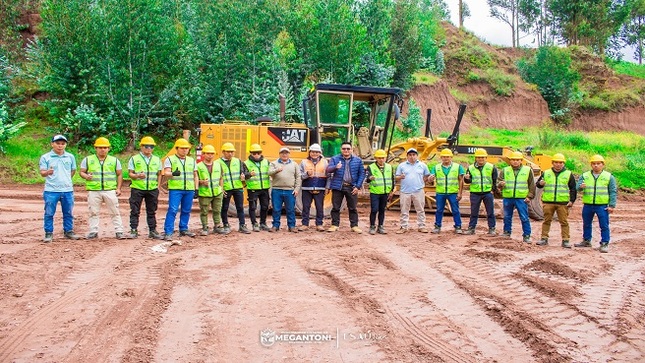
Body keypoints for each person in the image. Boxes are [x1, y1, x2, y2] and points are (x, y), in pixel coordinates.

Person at [79, 137, 126, 239]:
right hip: (94, 190)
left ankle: (119, 231)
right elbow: (82, 172)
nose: (102, 149)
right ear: (95, 148)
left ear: (108, 148)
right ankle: (93, 231)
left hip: (109, 190)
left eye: (105, 147)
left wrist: (118, 188)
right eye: (100, 147)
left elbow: (119, 174)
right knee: (93, 212)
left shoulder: (114, 160)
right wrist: (86, 176)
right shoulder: (88, 160)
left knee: (114, 211)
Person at [39, 134, 81, 242]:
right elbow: (42, 173)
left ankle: (68, 231)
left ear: (65, 145)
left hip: (67, 190)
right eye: (57, 143)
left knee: (68, 212)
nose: (60, 146)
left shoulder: (70, 157)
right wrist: (48, 172)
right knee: (49, 213)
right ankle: (48, 233)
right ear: (52, 144)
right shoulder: (46, 157)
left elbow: (73, 171)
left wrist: (66, 180)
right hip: (51, 190)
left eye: (63, 144)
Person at [575, 154, 617, 253]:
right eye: (594, 163)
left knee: (604, 225)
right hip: (588, 204)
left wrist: (611, 205)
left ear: (603, 164)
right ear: (591, 165)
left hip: (602, 205)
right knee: (586, 224)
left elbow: (613, 191)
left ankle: (604, 243)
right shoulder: (585, 176)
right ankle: (586, 240)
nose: (596, 165)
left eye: (598, 163)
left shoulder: (608, 177)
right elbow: (577, 188)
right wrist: (581, 186)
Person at [536, 153, 576, 248]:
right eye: (556, 162)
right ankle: (544, 238)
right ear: (552, 163)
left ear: (563, 163)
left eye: (560, 162)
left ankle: (565, 240)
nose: (558, 164)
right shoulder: (546, 173)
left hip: (562, 203)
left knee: (564, 222)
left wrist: (572, 200)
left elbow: (573, 188)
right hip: (548, 202)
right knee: (546, 221)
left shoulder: (568, 174)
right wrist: (540, 183)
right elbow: (538, 185)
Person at [127, 136, 162, 239]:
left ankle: (152, 230)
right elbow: (130, 174)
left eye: (151, 146)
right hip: (137, 188)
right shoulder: (134, 159)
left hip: (152, 189)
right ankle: (133, 229)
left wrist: (158, 186)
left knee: (151, 210)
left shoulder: (157, 159)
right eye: (146, 146)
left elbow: (159, 174)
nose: (148, 148)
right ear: (141, 147)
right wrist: (137, 176)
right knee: (134, 210)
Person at [326, 142, 365, 233]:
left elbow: (361, 174)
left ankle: (354, 226)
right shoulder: (335, 159)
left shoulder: (358, 160)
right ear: (341, 149)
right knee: (336, 207)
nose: (346, 150)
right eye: (344, 149)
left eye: (348, 149)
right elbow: (328, 170)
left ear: (351, 150)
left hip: (351, 187)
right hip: (338, 187)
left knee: (352, 208)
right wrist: (336, 167)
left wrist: (357, 186)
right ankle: (334, 225)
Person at [162, 138, 198, 240]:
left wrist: (196, 188)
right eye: (182, 148)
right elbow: (166, 172)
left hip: (189, 189)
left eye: (186, 148)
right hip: (176, 189)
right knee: (173, 210)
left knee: (186, 210)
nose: (185, 150)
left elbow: (195, 175)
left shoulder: (191, 160)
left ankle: (183, 228)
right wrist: (173, 173)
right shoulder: (170, 159)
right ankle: (168, 231)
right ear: (177, 148)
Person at [497, 151, 536, 243]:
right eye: (513, 160)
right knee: (507, 216)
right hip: (508, 197)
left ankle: (526, 235)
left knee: (524, 217)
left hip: (521, 198)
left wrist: (529, 196)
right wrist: (500, 184)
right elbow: (498, 182)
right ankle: (507, 232)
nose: (515, 161)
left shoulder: (527, 170)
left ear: (521, 160)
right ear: (510, 161)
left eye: (517, 160)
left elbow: (531, 184)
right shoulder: (505, 170)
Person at [429, 149, 465, 234]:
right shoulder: (436, 167)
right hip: (440, 193)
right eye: (444, 157)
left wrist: (460, 193)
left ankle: (458, 226)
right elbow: (431, 179)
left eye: (447, 157)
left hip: (453, 193)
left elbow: (461, 180)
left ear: (451, 157)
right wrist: (430, 178)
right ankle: (437, 226)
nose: (445, 158)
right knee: (439, 210)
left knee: (455, 210)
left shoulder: (458, 167)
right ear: (441, 157)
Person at [395, 148, 431, 233]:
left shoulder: (422, 165)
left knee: (420, 209)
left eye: (414, 155)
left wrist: (422, 182)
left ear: (417, 156)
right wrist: (400, 177)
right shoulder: (401, 166)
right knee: (404, 210)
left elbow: (427, 176)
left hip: (418, 191)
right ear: (407, 156)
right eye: (410, 155)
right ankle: (404, 227)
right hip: (405, 191)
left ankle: (421, 226)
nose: (412, 157)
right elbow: (396, 177)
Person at [218, 142, 252, 234]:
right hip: (226, 189)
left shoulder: (238, 161)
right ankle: (226, 225)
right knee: (224, 208)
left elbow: (246, 173)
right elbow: (215, 178)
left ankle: (242, 225)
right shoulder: (217, 163)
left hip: (238, 188)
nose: (230, 153)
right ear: (223, 152)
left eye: (232, 152)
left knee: (240, 207)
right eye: (228, 152)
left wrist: (245, 176)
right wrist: (220, 189)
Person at [463, 148, 498, 236]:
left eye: (482, 157)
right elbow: (468, 181)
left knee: (490, 212)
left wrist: (493, 191)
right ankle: (471, 228)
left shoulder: (491, 167)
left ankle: (492, 228)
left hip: (487, 193)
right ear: (475, 158)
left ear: (486, 158)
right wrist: (466, 178)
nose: (480, 159)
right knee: (474, 212)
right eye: (478, 157)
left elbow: (494, 180)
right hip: (475, 193)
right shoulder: (470, 168)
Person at [268, 147, 301, 232]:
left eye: (286, 153)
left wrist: (296, 189)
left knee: (290, 209)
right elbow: (269, 173)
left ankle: (292, 226)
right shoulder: (274, 163)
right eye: (282, 153)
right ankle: (275, 226)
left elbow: (298, 177)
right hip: (276, 190)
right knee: (276, 209)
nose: (284, 154)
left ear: (289, 154)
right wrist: (276, 170)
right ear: (279, 154)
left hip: (290, 190)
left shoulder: (294, 164)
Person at [196, 144, 225, 235]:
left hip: (217, 192)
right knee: (204, 211)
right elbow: (195, 179)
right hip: (205, 193)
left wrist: (221, 188)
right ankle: (205, 227)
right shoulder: (199, 166)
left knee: (217, 210)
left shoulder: (218, 165)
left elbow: (221, 178)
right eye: (208, 153)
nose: (210, 155)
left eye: (212, 153)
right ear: (203, 154)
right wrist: (201, 182)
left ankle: (217, 226)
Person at [299, 143, 328, 231]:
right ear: (309, 152)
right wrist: (306, 174)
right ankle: (305, 224)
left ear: (320, 153)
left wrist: (327, 187)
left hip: (320, 187)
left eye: (316, 152)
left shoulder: (325, 162)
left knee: (319, 207)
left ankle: (319, 224)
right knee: (306, 207)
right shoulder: (304, 162)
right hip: (307, 187)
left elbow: (329, 175)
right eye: (313, 152)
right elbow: (299, 176)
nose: (314, 154)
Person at [366, 149, 394, 235]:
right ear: (376, 158)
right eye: (379, 158)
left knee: (382, 210)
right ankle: (372, 226)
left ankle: (381, 226)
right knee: (374, 210)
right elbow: (367, 179)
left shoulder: (389, 167)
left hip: (385, 192)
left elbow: (392, 179)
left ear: (385, 158)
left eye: (383, 158)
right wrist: (369, 178)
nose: (381, 160)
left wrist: (391, 190)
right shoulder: (371, 167)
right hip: (375, 192)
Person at [244, 143, 271, 232]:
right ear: (251, 153)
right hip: (253, 189)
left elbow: (271, 172)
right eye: (254, 153)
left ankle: (263, 223)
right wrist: (248, 175)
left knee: (265, 206)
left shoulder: (266, 162)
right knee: (253, 207)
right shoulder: (246, 163)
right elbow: (243, 176)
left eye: (258, 153)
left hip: (264, 188)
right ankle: (254, 224)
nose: (256, 155)